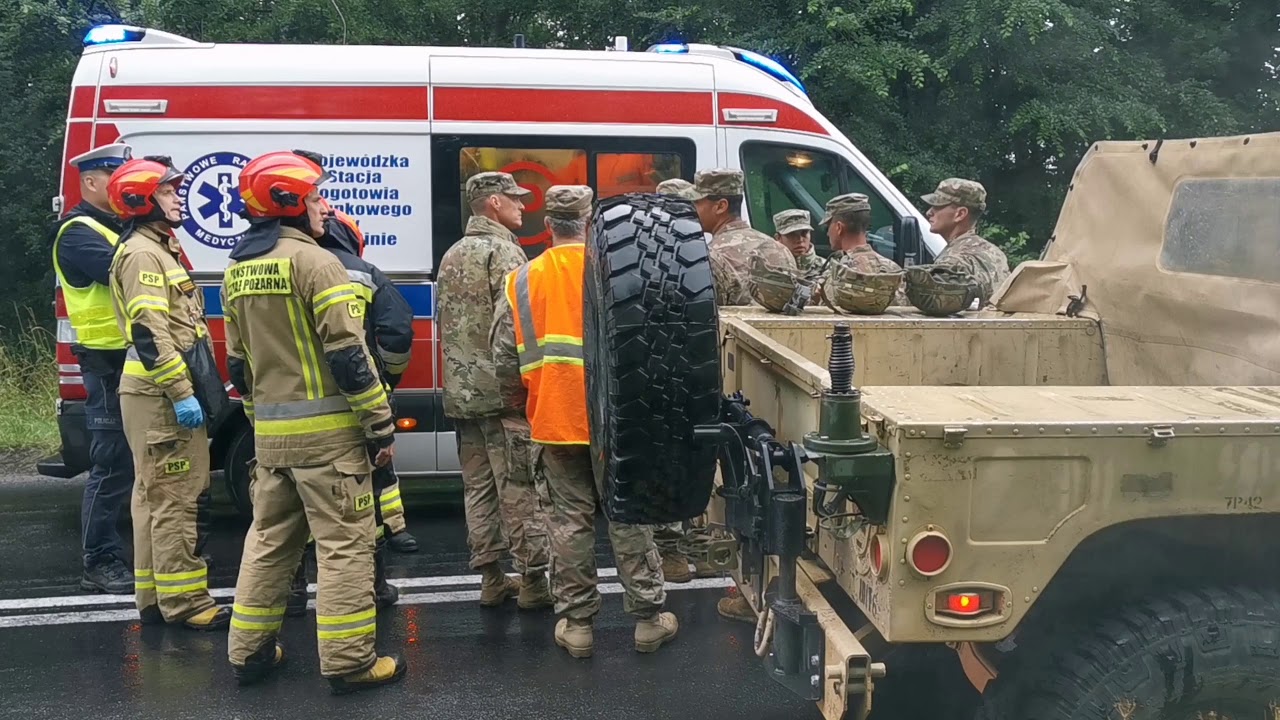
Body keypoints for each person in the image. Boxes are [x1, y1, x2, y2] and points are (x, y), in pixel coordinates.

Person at [222, 151, 405, 693]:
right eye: (316, 196)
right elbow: (348, 357)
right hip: (329, 443)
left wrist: (259, 423)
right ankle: (350, 663)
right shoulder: (318, 263)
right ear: (288, 202)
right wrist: (379, 424)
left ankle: (249, 653)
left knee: (268, 544)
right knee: (345, 547)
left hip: (272, 440)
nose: (325, 206)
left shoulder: (237, 270)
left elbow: (238, 365)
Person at [491, 185, 676, 659]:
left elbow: (504, 364)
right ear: (591, 223)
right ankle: (649, 620)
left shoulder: (522, 280)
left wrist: (527, 404)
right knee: (627, 515)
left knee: (568, 523)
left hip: (555, 419)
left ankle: (577, 626)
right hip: (619, 423)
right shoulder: (622, 273)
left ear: (548, 226)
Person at [105, 156, 229, 631]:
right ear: (141, 200)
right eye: (168, 191)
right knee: (177, 497)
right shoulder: (144, 255)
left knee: (152, 496)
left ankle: (155, 597)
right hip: (160, 396)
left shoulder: (156, 248)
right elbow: (150, 332)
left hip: (152, 393)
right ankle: (186, 603)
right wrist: (180, 392)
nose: (179, 197)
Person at [282, 192, 414, 618]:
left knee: (287, 510)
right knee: (360, 500)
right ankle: (374, 588)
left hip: (283, 410)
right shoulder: (361, 273)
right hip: (351, 405)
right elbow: (396, 333)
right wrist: (386, 380)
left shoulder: (276, 266)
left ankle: (292, 592)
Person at [437, 172, 551, 610]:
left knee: (478, 488)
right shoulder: (505, 252)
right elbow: (516, 326)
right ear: (494, 204)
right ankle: (534, 581)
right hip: (503, 395)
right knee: (519, 488)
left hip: (462, 395)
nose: (523, 205)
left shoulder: (452, 254)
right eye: (514, 198)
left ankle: (490, 578)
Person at [51, 143, 136, 596]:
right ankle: (99, 562)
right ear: (89, 182)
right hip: (105, 363)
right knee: (112, 463)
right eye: (113, 177)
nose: (123, 185)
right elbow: (124, 274)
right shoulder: (78, 232)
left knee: (142, 462)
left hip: (131, 358)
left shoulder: (115, 226)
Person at [908, 178, 1011, 316]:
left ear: (960, 214)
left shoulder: (953, 262)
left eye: (938, 206)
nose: (929, 212)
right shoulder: (994, 252)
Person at [690, 168, 787, 306]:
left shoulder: (711, 256)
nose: (692, 209)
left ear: (721, 206)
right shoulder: (780, 249)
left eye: (697, 203)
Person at [820, 193, 907, 312]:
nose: (827, 233)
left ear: (838, 228)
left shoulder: (835, 274)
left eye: (828, 227)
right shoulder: (893, 270)